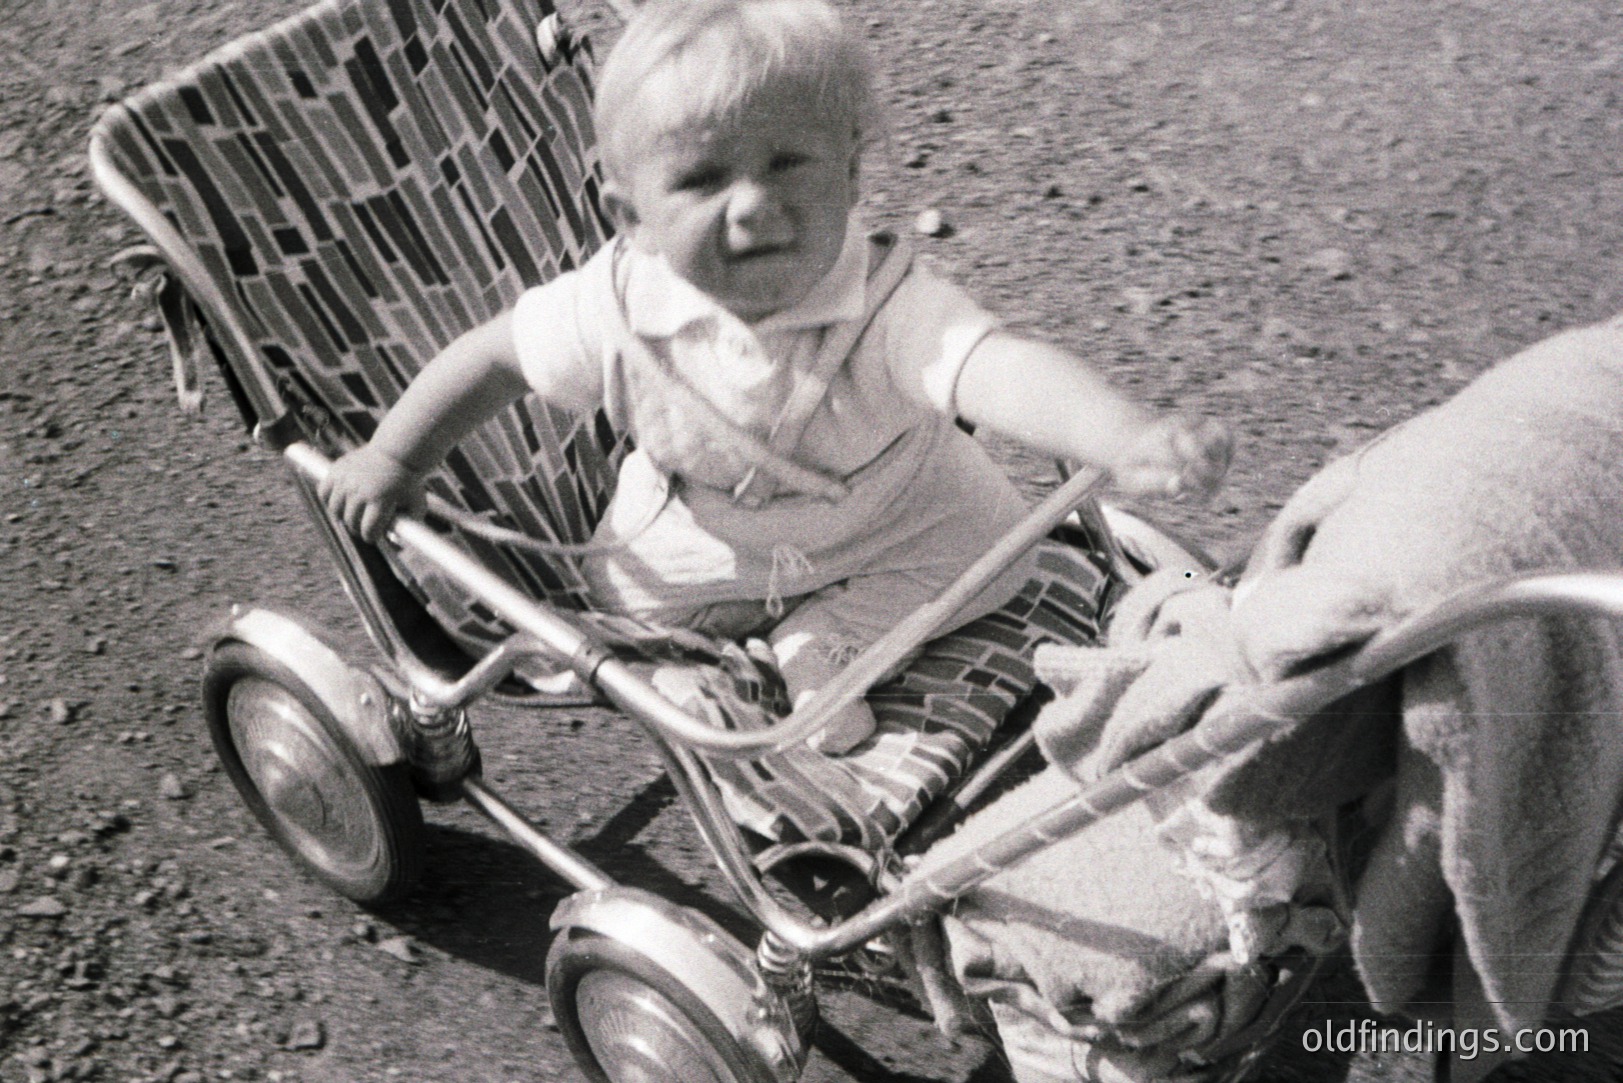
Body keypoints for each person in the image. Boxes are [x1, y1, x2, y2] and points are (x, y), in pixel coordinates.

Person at [319, 0, 1232, 754]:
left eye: (788, 162)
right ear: (628, 214)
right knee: (596, 622)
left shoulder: (888, 307)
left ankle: (823, 641)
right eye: (704, 178)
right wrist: (396, 457)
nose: (753, 202)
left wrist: (1121, 434)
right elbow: (495, 358)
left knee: (1006, 553)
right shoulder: (617, 304)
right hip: (705, 524)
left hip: (899, 507)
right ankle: (757, 651)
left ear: (847, 171)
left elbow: (1001, 371)